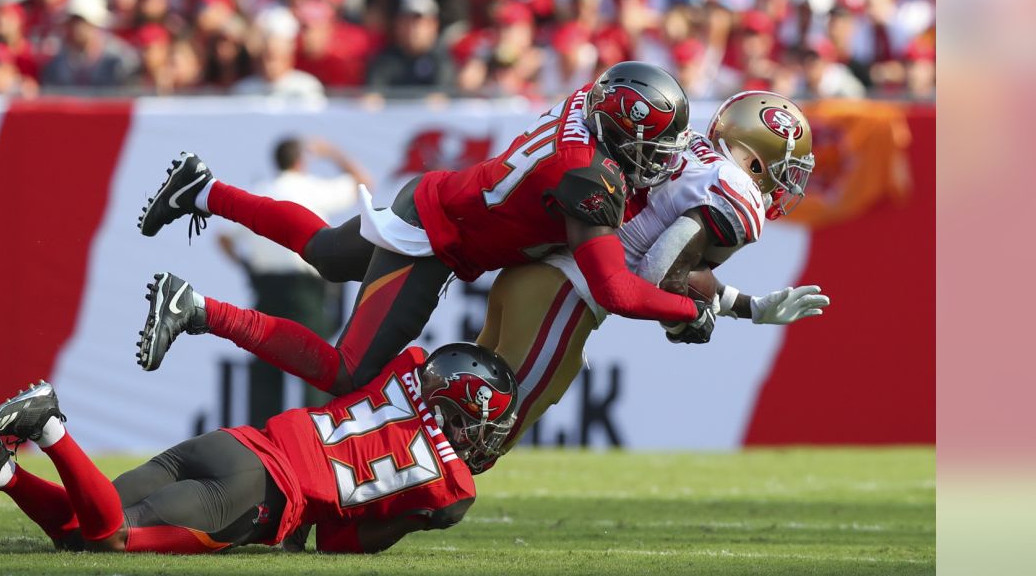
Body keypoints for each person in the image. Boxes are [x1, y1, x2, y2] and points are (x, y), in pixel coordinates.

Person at [134, 61, 712, 398]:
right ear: (619, 129)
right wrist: (691, 311)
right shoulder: (585, 174)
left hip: (439, 198)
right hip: (437, 238)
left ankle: (200, 189)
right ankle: (198, 309)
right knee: (346, 372)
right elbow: (614, 290)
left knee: (330, 253)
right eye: (653, 146)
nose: (658, 161)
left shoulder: (588, 104)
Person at [476, 91, 831, 453]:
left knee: (465, 402)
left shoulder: (692, 148)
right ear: (754, 161)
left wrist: (750, 308)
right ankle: (423, 494)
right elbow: (660, 276)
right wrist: (682, 322)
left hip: (529, 277)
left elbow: (682, 268)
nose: (788, 182)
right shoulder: (736, 191)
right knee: (486, 431)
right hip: (562, 295)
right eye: (786, 168)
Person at [0, 343, 518, 555]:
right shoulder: (453, 487)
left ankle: (4, 475)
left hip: (234, 442)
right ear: (458, 410)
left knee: (79, 527)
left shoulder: (408, 369)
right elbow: (342, 541)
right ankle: (50, 429)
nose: (481, 438)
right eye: (479, 422)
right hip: (254, 495)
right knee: (111, 541)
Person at [216, 137, 373, 425]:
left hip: (266, 287)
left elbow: (223, 236)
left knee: (264, 368)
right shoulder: (311, 189)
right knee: (316, 365)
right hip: (305, 292)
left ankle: (258, 440)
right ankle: (320, 435)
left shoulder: (260, 191)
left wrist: (245, 265)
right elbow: (364, 182)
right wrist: (332, 150)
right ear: (301, 161)